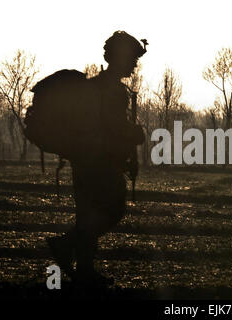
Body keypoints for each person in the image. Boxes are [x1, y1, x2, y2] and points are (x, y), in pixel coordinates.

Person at [46, 31, 146, 287]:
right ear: (120, 59)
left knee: (89, 215)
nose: (135, 65)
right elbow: (113, 127)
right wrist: (135, 134)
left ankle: (85, 271)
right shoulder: (111, 90)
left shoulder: (98, 87)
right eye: (133, 59)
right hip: (99, 163)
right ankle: (66, 245)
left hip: (87, 161)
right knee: (112, 210)